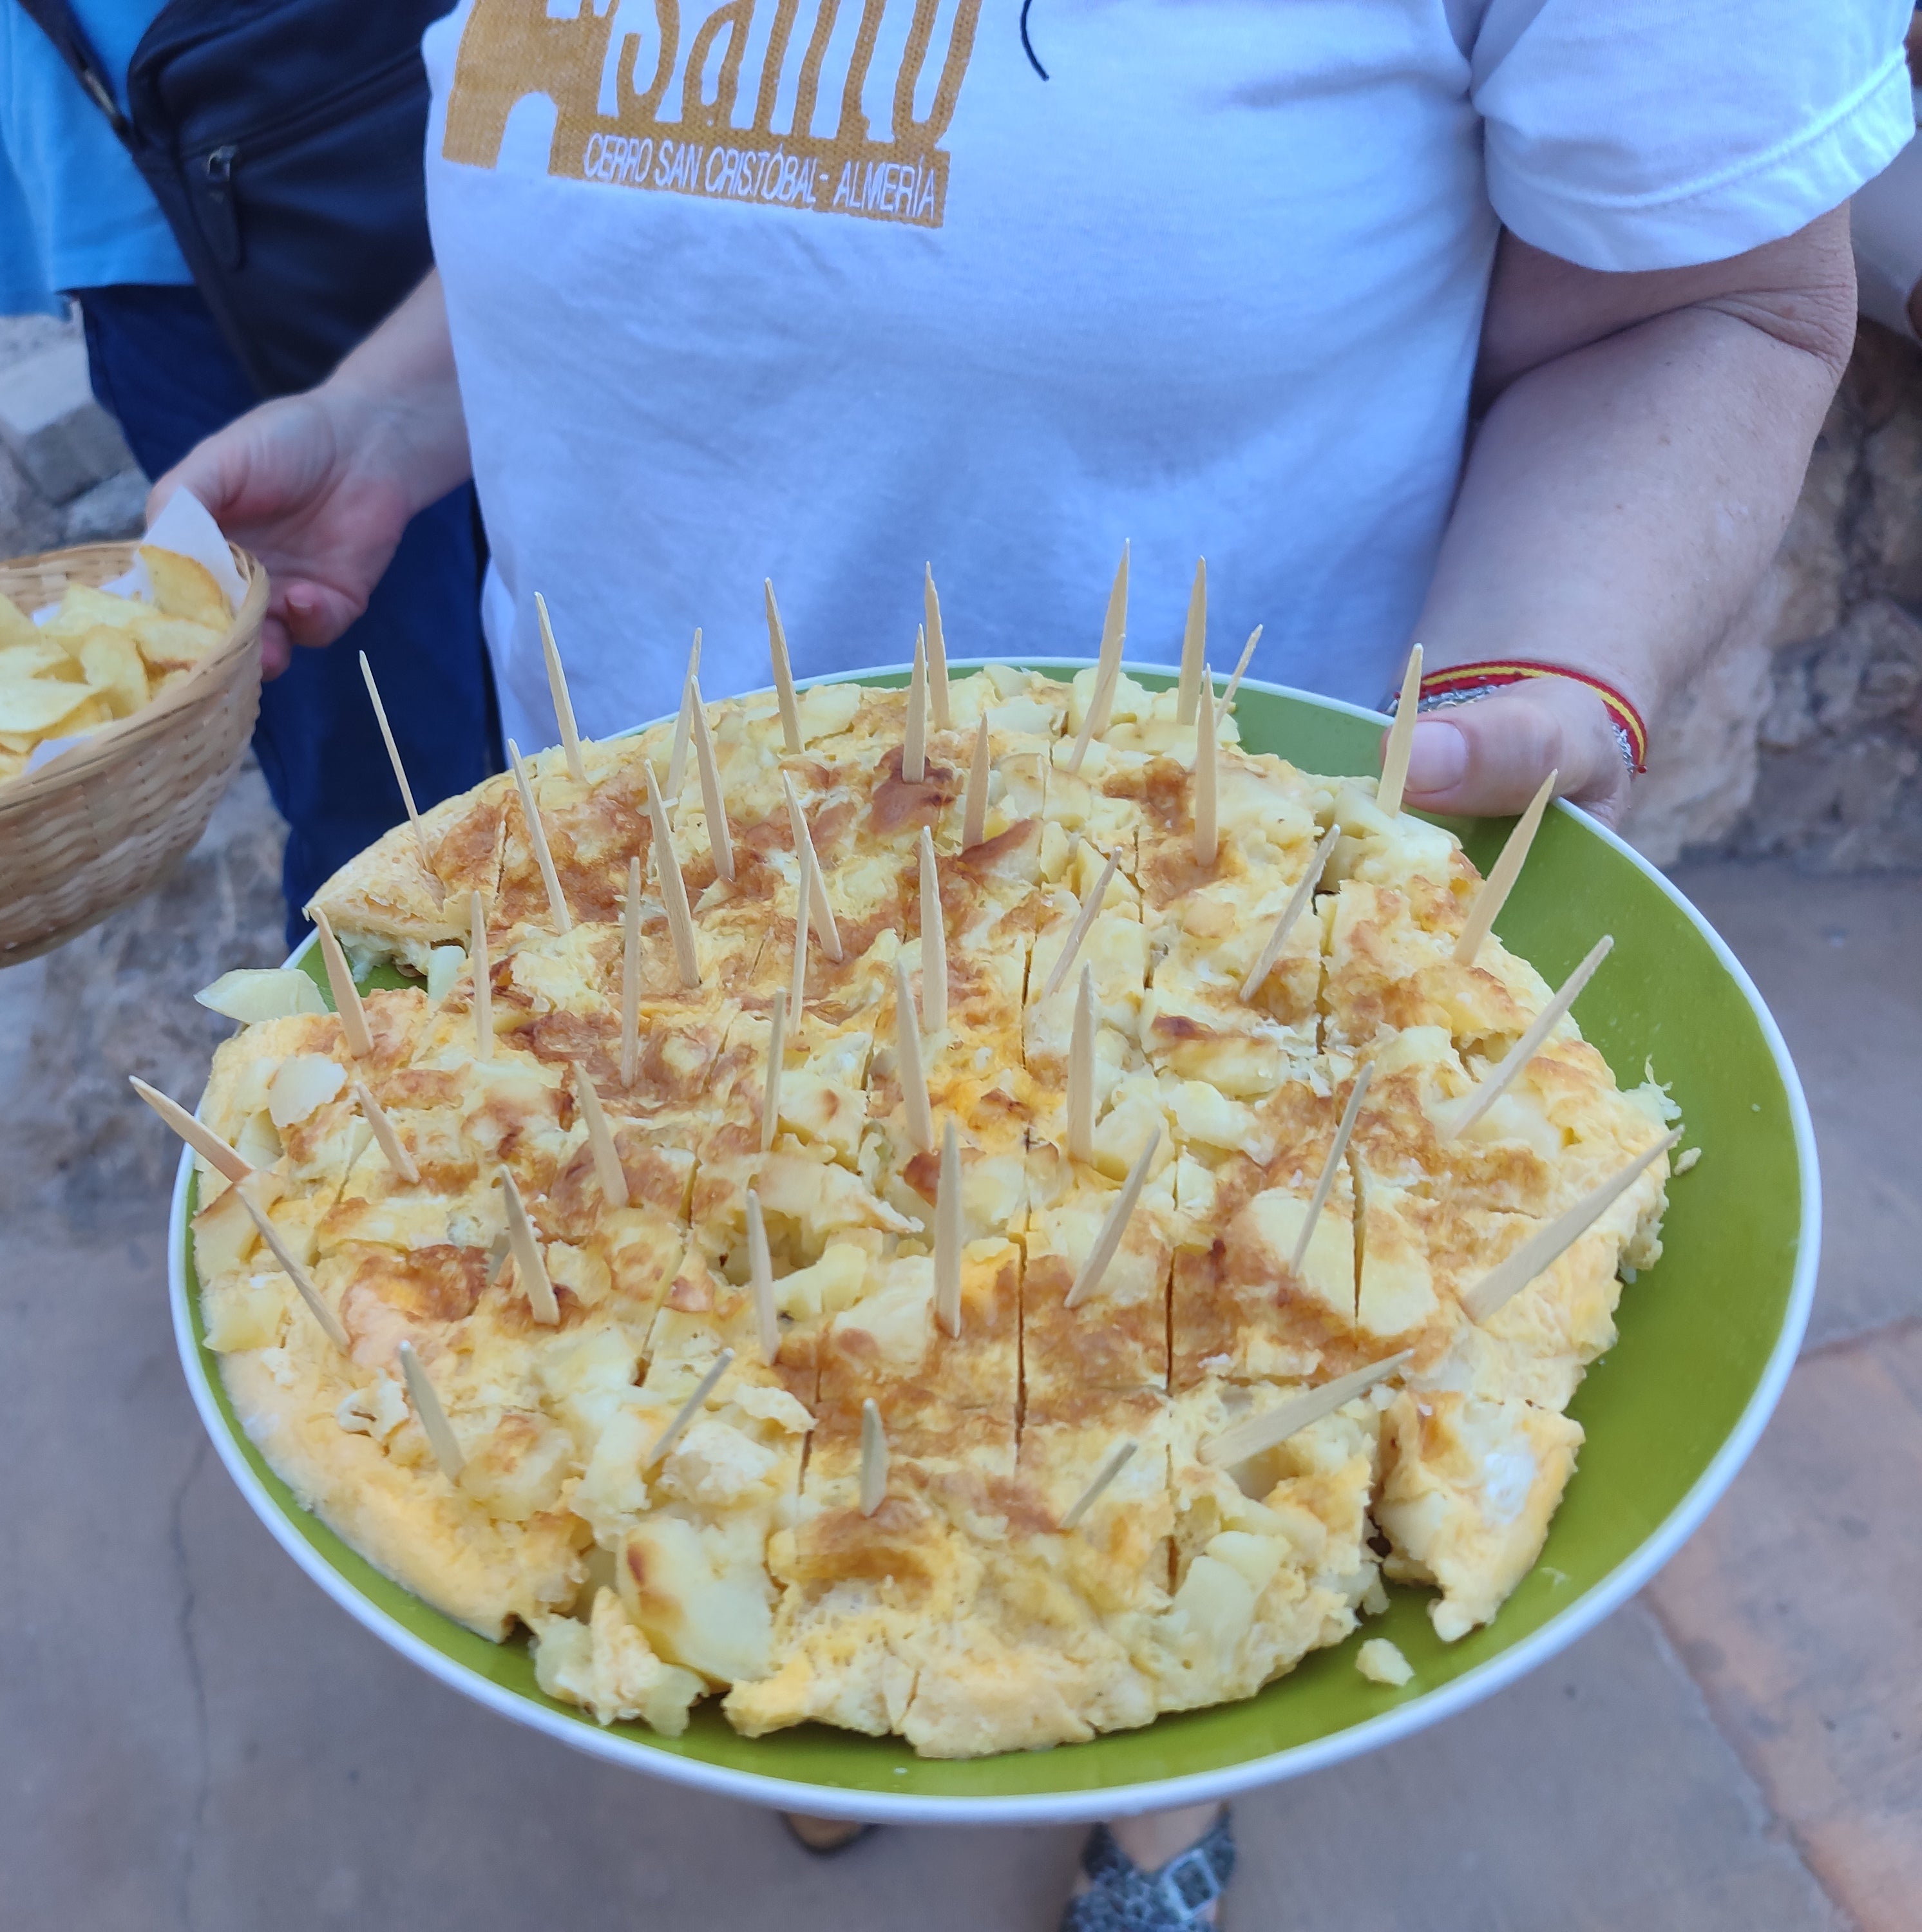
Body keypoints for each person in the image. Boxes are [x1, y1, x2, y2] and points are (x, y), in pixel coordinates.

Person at [148, 0, 1910, 1918]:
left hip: (1244, 955)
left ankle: (1116, 1718)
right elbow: (615, 119)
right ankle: (788, 1615)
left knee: (1117, 1455)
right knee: (727, 1467)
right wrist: (398, 413)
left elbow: (1713, 299)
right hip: (637, 918)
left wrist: (1525, 688)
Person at [0, 5, 497, 943]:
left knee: (537, 703)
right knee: (387, 795)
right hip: (191, 189)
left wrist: (379, 430)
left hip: (441, 110)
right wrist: (375, 435)